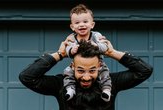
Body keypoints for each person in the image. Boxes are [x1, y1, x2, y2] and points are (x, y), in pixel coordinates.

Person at [19, 39, 153, 110]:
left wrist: (111, 53)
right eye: (81, 71)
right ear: (73, 67)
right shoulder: (61, 84)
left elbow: (144, 71)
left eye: (92, 70)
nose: (87, 77)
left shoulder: (111, 82)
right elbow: (27, 77)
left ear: (100, 66)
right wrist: (60, 54)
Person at [64, 4, 111, 102]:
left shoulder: (96, 36)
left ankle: (106, 90)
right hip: (77, 65)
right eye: (77, 23)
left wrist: (97, 45)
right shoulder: (71, 38)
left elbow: (105, 47)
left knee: (105, 72)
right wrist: (71, 50)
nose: (81, 25)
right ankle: (70, 89)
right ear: (72, 27)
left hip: (98, 64)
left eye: (85, 21)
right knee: (67, 72)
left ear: (92, 25)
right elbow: (67, 50)